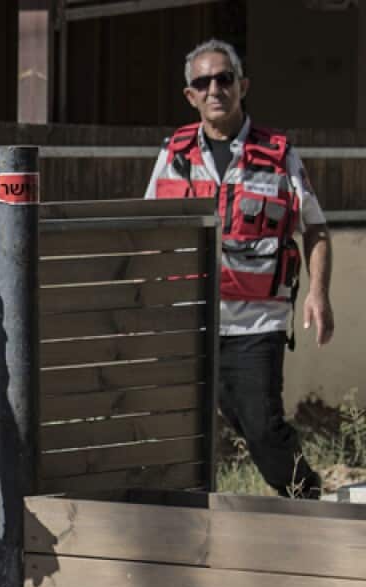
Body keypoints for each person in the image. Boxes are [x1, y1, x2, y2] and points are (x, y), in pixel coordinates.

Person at [146, 38, 334, 499]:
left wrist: (318, 293)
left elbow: (316, 230)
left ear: (242, 86)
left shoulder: (279, 153)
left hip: (257, 321)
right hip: (192, 318)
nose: (215, 89)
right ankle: (185, 520)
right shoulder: (174, 153)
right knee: (191, 425)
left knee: (261, 425)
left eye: (224, 78)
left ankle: (305, 497)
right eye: (202, 82)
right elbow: (147, 225)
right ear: (190, 95)